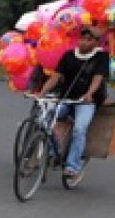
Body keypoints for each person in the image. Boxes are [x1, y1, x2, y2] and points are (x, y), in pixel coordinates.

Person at [39, 26, 110, 179]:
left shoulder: (101, 57)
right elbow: (55, 77)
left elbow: (98, 78)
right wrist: (43, 92)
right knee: (45, 120)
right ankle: (55, 151)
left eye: (89, 39)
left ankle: (72, 166)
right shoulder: (68, 55)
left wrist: (89, 94)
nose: (84, 42)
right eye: (83, 38)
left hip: (86, 102)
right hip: (66, 98)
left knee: (79, 129)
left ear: (96, 43)